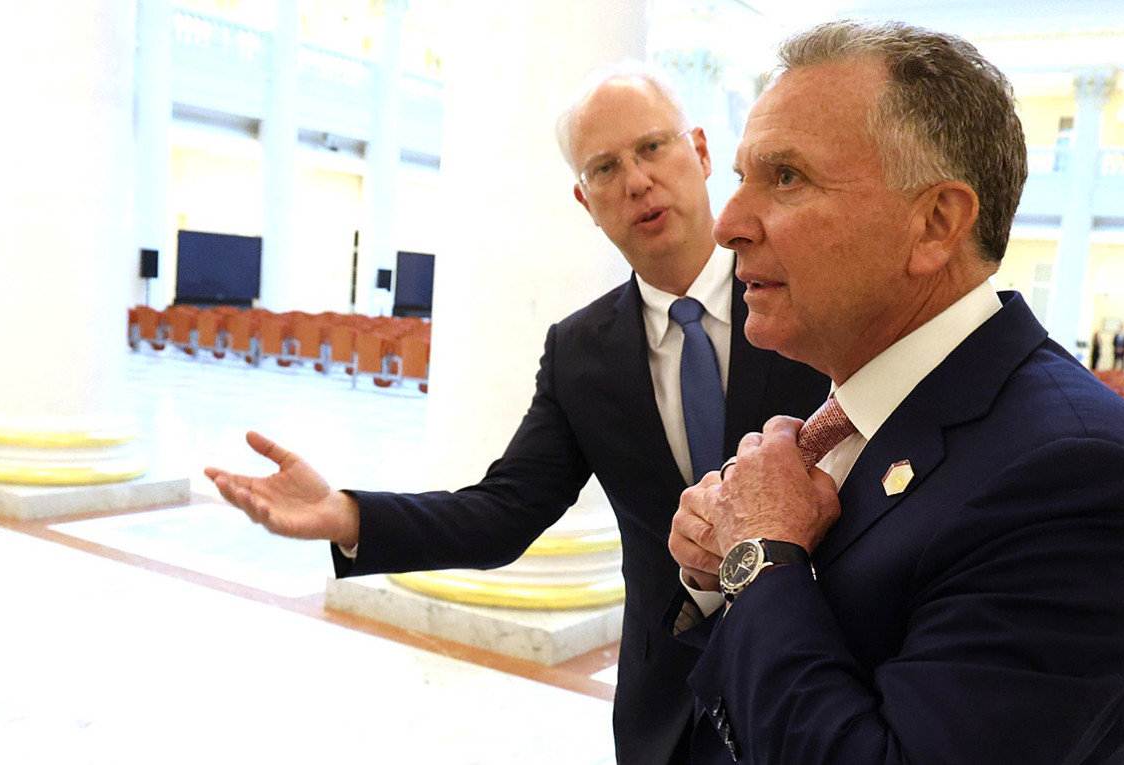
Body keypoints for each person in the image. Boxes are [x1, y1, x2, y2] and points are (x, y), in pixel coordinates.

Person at [204, 63, 828, 765]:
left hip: (815, 677)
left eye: (652, 147)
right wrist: (348, 515)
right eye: (605, 167)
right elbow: (504, 512)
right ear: (585, 200)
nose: (636, 181)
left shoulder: (806, 298)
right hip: (667, 707)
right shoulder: (580, 351)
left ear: (702, 152)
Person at [667, 20, 1124, 764]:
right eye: (741, 176)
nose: (728, 224)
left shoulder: (1076, 470)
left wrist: (759, 555)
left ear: (935, 223)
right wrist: (720, 567)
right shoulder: (853, 401)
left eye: (787, 177)